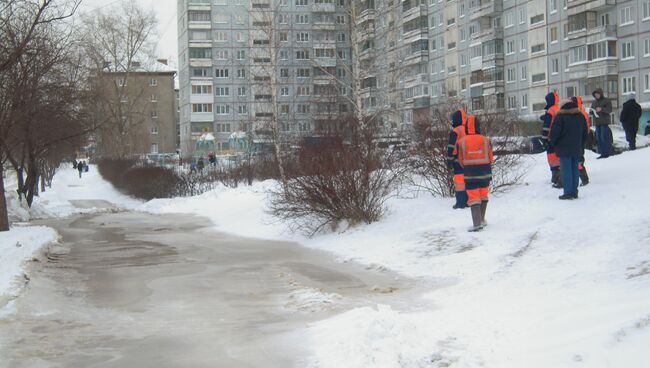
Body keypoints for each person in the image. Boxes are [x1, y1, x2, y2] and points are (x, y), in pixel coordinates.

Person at [455, 115, 493, 232]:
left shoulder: (461, 142)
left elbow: (460, 159)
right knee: (483, 194)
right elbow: (491, 157)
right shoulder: (486, 140)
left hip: (470, 173)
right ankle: (482, 220)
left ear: (467, 127)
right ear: (478, 126)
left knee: (474, 197)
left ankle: (477, 224)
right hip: (485, 172)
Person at [549, 99, 589, 200]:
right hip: (576, 147)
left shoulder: (560, 117)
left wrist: (552, 143)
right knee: (575, 169)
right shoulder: (580, 116)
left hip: (564, 148)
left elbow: (555, 133)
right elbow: (585, 132)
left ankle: (568, 192)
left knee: (566, 170)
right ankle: (574, 192)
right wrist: (581, 145)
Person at [446, 108, 468, 209]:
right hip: (468, 161)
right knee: (468, 182)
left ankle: (460, 203)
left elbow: (451, 146)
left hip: (458, 161)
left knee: (460, 184)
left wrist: (449, 160)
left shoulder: (456, 131)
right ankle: (469, 201)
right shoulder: (468, 129)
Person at [540, 91, 562, 188]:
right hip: (559, 138)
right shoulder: (558, 109)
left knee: (552, 158)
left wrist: (544, 139)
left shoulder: (550, 111)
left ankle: (556, 178)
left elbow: (547, 127)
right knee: (558, 158)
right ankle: (559, 177)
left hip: (550, 138)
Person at [571, 96, 590, 186]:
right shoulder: (582, 112)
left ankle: (584, 178)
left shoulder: (579, 113)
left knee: (579, 160)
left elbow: (584, 128)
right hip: (581, 139)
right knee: (579, 159)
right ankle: (583, 177)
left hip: (579, 139)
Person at [590, 88, 613, 158]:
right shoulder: (594, 102)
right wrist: (591, 111)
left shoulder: (606, 101)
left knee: (604, 137)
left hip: (604, 121)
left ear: (601, 94)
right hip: (597, 122)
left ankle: (606, 153)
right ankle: (601, 153)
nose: (596, 96)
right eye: (595, 95)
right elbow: (592, 110)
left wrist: (601, 109)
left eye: (598, 94)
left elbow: (609, 110)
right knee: (598, 138)